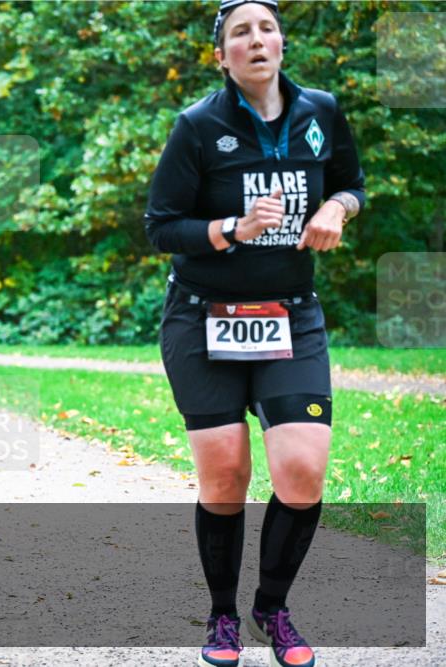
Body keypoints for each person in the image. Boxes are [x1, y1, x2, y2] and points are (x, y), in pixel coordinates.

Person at [144, 2, 364, 666]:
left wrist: (335, 205)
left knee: (301, 471)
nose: (256, 38)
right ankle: (222, 617)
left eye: (266, 27)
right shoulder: (197, 127)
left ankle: (273, 606)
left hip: (292, 315)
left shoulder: (320, 113)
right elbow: (161, 226)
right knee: (226, 474)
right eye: (241, 32)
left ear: (282, 45)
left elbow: (353, 183)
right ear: (223, 56)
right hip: (203, 317)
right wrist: (228, 230)